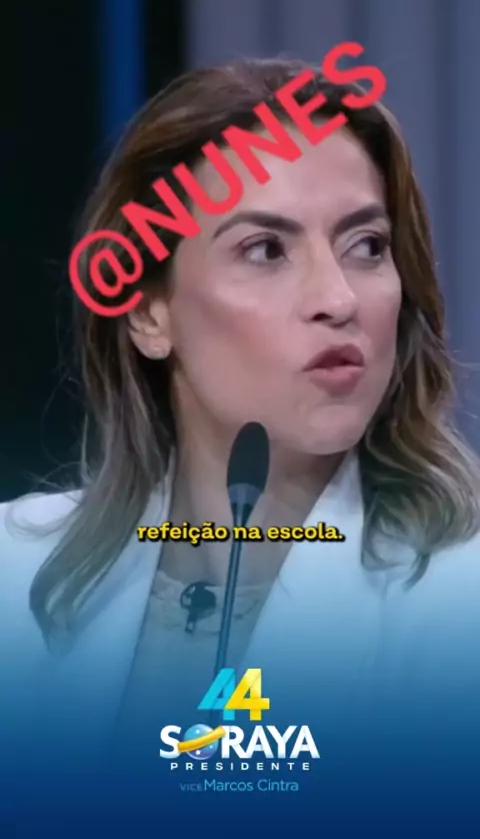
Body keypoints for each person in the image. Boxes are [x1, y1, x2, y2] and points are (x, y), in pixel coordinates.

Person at [1, 55, 480, 815]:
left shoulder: (460, 598)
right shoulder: (15, 573)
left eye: (367, 246)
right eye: (266, 250)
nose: (337, 299)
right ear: (148, 312)